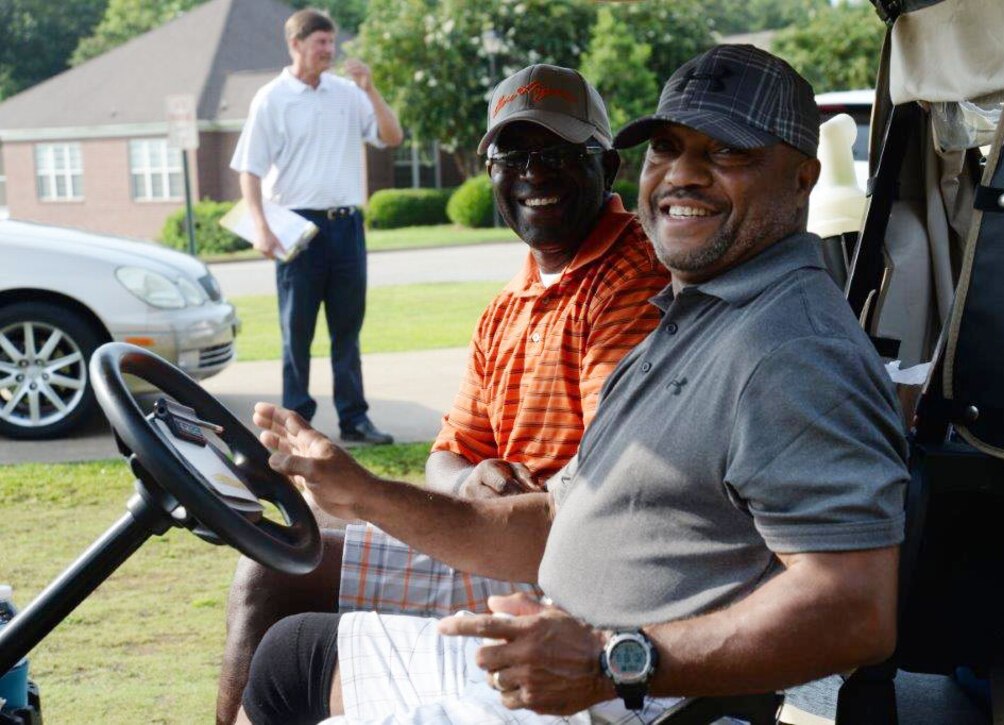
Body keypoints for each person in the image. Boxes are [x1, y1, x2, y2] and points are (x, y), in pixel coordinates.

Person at [240, 44, 908, 725]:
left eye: (725, 153)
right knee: (295, 656)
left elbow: (855, 606)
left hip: (614, 695)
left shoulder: (792, 350)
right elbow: (552, 518)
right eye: (668, 148)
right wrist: (364, 493)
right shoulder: (692, 319)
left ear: (803, 178)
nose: (683, 175)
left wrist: (608, 661)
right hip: (562, 649)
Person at [215, 64, 670, 724]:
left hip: (556, 560)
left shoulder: (628, 278)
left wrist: (382, 493)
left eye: (556, 154)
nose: (532, 173)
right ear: (489, 173)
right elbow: (447, 455)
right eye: (511, 154)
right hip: (496, 536)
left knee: (278, 576)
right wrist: (470, 479)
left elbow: (597, 490)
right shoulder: (505, 309)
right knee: (278, 557)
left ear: (608, 164)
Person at [230, 7, 402, 446]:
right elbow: (249, 170)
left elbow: (392, 136)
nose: (329, 50)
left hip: (346, 227)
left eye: (331, 42)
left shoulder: (348, 93)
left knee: (347, 329)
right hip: (296, 228)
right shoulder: (271, 98)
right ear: (296, 44)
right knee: (298, 332)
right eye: (320, 43)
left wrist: (370, 89)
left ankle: (354, 419)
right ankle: (297, 425)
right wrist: (262, 227)